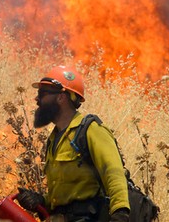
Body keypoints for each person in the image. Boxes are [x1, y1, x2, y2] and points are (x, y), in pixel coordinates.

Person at [16, 65, 131, 222]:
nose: (37, 99)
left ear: (61, 98)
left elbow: (114, 173)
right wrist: (42, 201)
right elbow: (67, 194)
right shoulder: (53, 139)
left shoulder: (91, 130)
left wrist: (120, 213)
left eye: (42, 94)